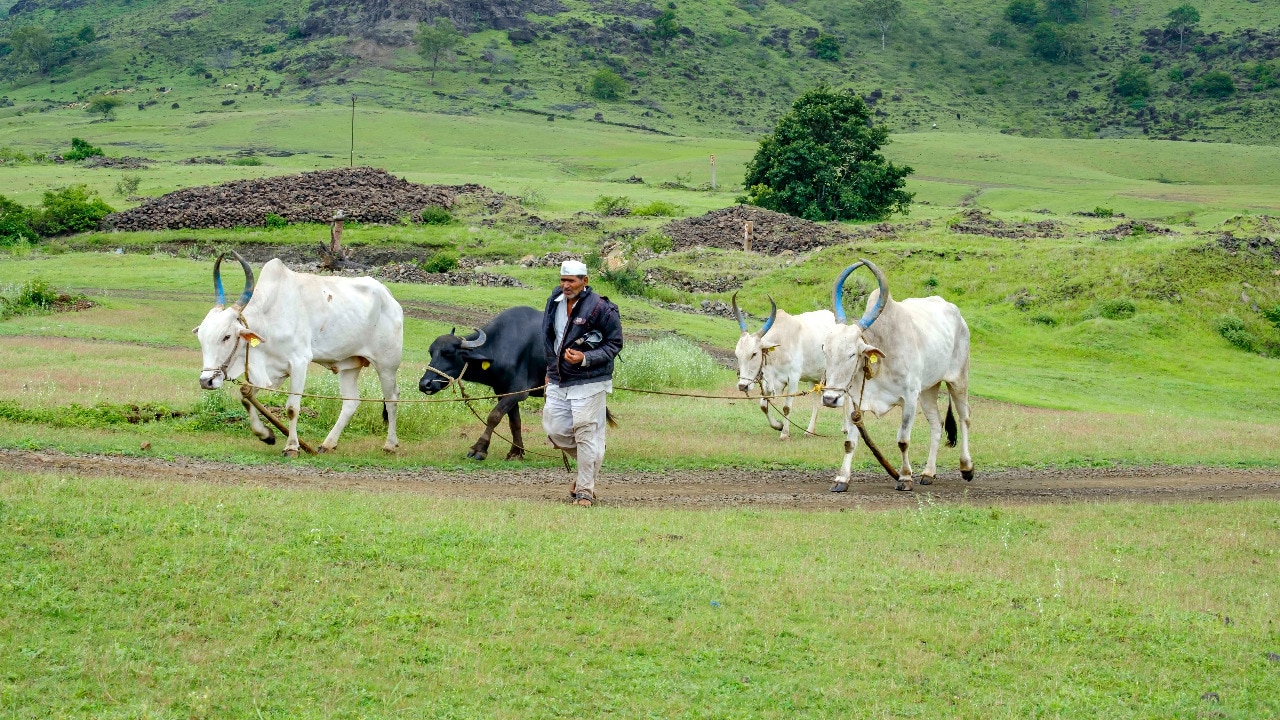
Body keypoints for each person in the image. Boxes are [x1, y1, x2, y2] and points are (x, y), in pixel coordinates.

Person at [542, 260, 623, 507]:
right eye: (563, 280)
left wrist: (586, 358)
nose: (566, 285)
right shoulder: (554, 300)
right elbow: (550, 338)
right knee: (554, 429)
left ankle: (585, 491)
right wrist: (550, 370)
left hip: (590, 380)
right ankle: (593, 453)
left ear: (584, 281)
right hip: (559, 378)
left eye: (571, 281)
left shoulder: (601, 308)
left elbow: (615, 343)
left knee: (584, 431)